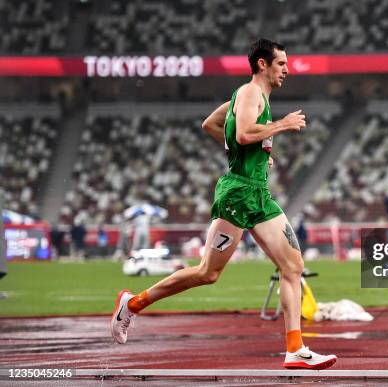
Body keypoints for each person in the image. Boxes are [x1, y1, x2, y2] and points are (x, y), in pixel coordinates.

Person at [111, 39, 337, 370]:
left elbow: (211, 125)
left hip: (257, 194)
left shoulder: (245, 97)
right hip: (237, 195)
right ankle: (132, 304)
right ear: (263, 64)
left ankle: (295, 349)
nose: (287, 69)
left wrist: (255, 153)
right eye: (281, 64)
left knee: (292, 267)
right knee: (208, 273)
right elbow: (244, 133)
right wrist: (282, 125)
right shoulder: (249, 94)